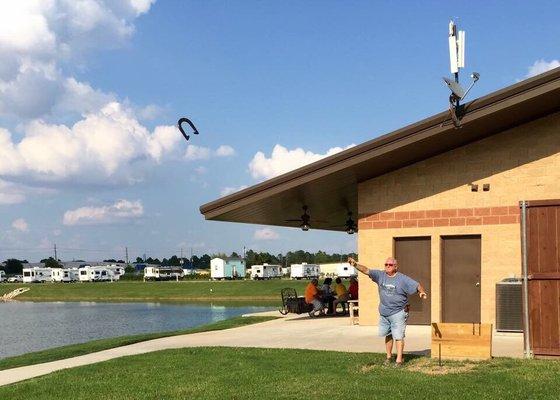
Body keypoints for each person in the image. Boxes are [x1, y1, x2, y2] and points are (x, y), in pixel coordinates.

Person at [348, 256, 427, 367]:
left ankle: (399, 360)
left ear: (395, 266)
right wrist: (355, 264)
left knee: (398, 336)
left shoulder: (402, 279)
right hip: (384, 312)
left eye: (390, 265)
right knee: (388, 335)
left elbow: (417, 285)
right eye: (386, 264)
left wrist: (421, 292)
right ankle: (389, 357)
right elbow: (366, 270)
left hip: (398, 312)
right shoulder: (380, 275)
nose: (388, 266)